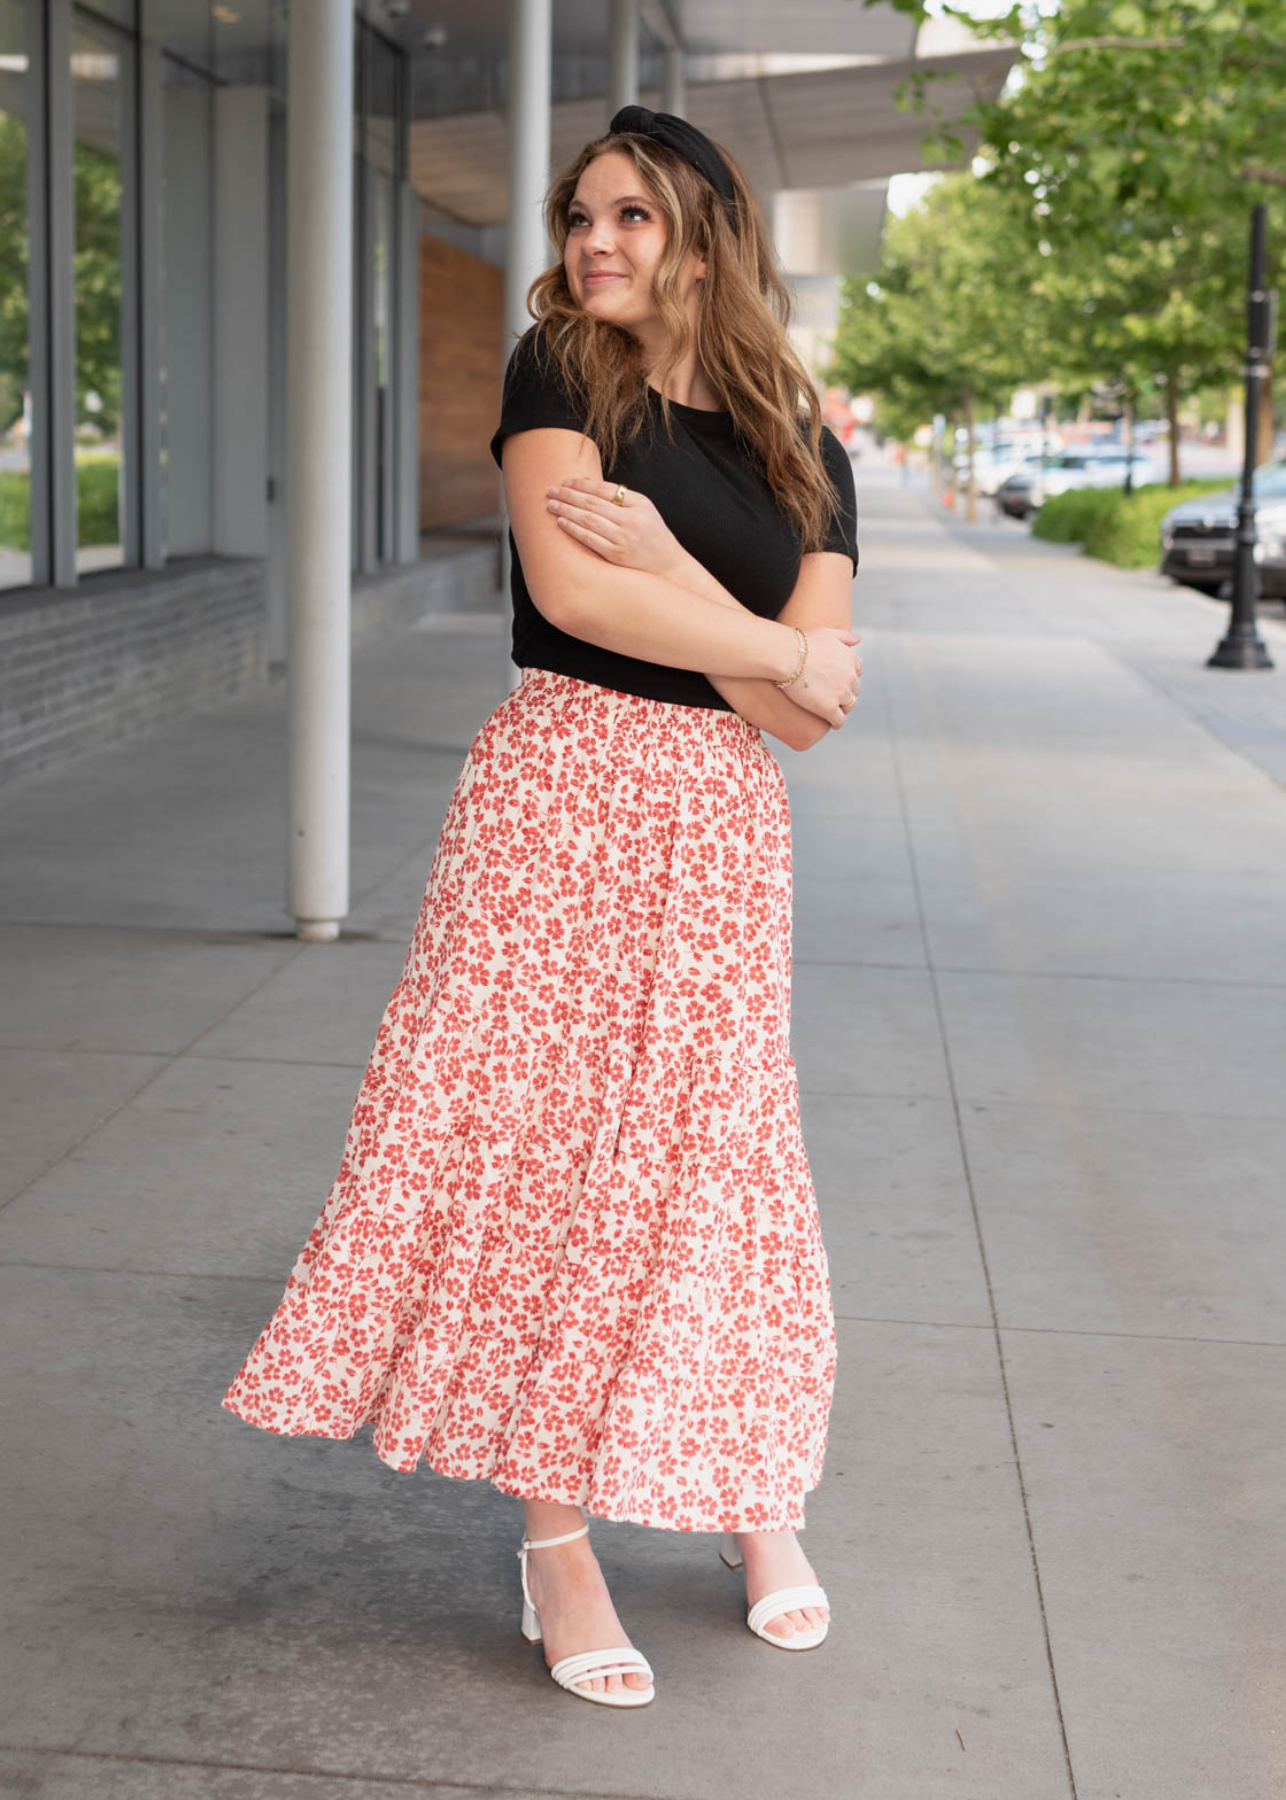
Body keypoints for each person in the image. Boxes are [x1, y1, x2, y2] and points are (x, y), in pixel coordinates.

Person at [220, 105, 861, 1712]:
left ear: (706, 231)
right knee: (541, 1160)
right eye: (582, 214)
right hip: (559, 797)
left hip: (718, 826)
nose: (594, 243)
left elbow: (800, 718)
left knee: (715, 1160)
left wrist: (696, 592)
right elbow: (581, 600)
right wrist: (763, 636)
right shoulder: (556, 380)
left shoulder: (805, 441)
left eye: (633, 216)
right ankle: (555, 1541)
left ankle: (743, 1491)